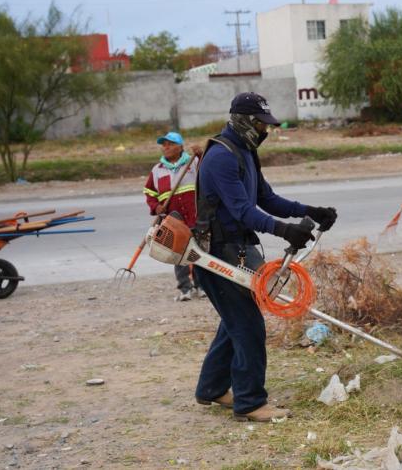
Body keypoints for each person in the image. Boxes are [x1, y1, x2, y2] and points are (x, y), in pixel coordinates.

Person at [193, 92, 337, 422]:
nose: (266, 131)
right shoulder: (221, 158)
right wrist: (284, 231)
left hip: (238, 248)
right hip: (217, 253)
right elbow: (243, 211)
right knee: (248, 327)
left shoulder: (244, 152)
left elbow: (266, 199)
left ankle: (212, 388)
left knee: (235, 322)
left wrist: (310, 212)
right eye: (261, 124)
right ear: (243, 122)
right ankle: (250, 402)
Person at [144, 131, 202, 302]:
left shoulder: (193, 162)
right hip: (173, 220)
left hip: (194, 216)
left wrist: (201, 154)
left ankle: (201, 286)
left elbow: (208, 173)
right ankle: (185, 288)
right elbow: (149, 192)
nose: (166, 147)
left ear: (180, 146)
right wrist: (156, 207)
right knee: (178, 253)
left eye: (170, 144)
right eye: (164, 144)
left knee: (198, 252)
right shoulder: (157, 170)